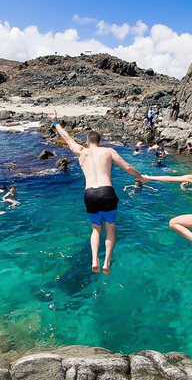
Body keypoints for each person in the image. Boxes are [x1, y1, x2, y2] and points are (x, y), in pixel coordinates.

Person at [52, 112, 144, 275]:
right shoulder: (108, 151)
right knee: (111, 228)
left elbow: (67, 138)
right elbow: (127, 167)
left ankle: (95, 259)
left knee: (96, 229)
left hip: (90, 194)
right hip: (107, 192)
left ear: (87, 142)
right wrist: (141, 178)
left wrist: (56, 122)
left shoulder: (81, 151)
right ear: (100, 142)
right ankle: (107, 262)